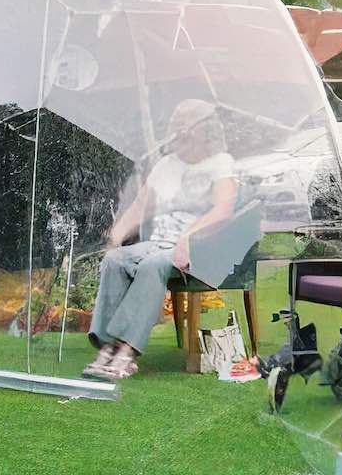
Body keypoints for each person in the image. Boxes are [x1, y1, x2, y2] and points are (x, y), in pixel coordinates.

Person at [84, 99, 237, 380]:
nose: (178, 132)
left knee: (152, 265)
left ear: (204, 131)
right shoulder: (166, 164)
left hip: (198, 248)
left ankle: (126, 352)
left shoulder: (221, 163)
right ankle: (108, 347)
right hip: (159, 242)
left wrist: (189, 236)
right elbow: (142, 205)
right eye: (176, 126)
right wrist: (115, 236)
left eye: (185, 126)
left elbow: (224, 209)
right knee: (115, 260)